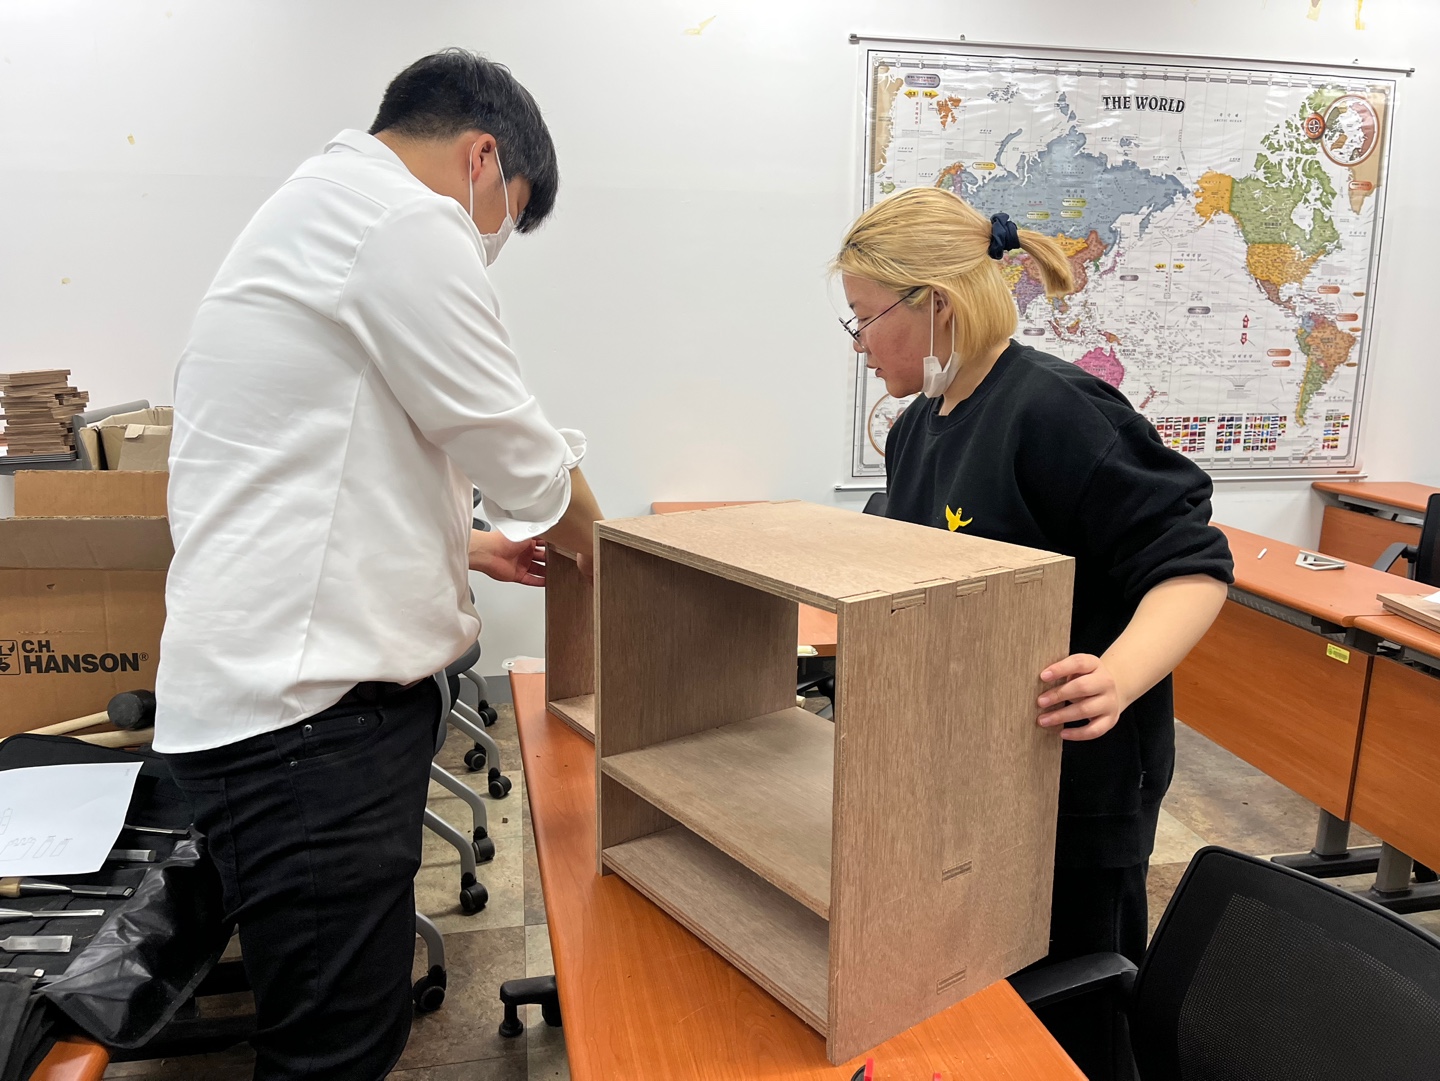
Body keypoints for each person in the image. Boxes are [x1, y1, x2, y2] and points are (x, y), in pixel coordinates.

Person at [155, 49, 602, 1080]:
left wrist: (468, 545)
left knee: (338, 1025)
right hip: (308, 728)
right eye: (504, 219)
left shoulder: (318, 209)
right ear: (482, 158)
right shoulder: (403, 222)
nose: (488, 247)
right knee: (337, 1051)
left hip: (271, 708)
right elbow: (520, 451)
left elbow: (325, 463)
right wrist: (613, 550)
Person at [833, 187, 1233, 1075]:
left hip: (1075, 791)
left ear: (936, 302)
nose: (857, 344)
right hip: (975, 780)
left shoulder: (1056, 411)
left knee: (1075, 1020)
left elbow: (1193, 563)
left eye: (864, 319)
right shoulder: (916, 430)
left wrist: (1117, 676)